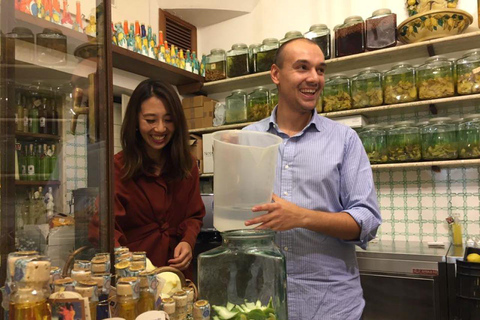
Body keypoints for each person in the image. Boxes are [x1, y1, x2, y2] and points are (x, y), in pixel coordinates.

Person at [243, 38, 382, 319]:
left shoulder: (345, 140)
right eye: (302, 68)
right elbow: (234, 217)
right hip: (261, 304)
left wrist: (301, 217)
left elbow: (367, 221)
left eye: (320, 70)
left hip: (330, 306)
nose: (314, 78)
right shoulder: (247, 139)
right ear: (275, 74)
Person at [112, 79, 204, 280]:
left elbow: (194, 215)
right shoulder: (119, 167)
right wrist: (122, 257)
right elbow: (104, 228)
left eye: (168, 119)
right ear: (136, 121)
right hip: (136, 277)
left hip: (176, 273)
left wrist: (188, 242)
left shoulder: (187, 164)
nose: (161, 129)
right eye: (151, 120)